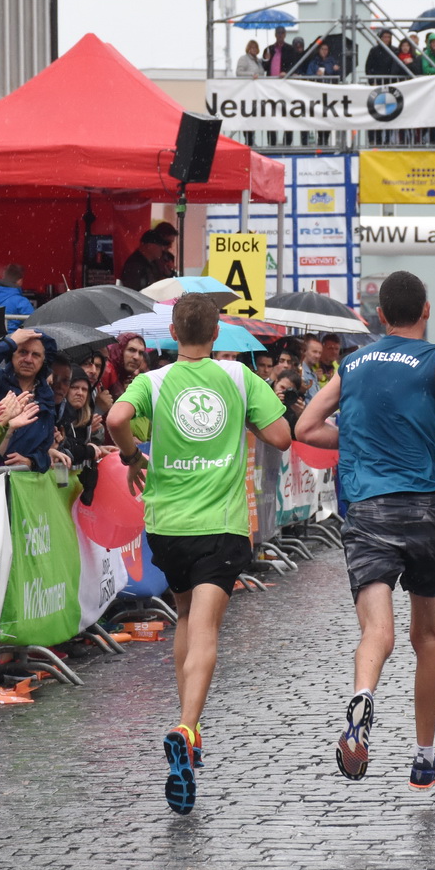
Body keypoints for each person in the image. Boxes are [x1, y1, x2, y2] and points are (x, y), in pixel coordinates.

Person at [105, 295, 292, 814]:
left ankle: (191, 727)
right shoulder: (237, 379)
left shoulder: (154, 382)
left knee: (186, 615)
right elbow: (282, 435)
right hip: (222, 525)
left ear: (171, 331)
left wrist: (129, 454)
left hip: (167, 525)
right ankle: (187, 727)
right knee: (207, 627)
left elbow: (117, 416)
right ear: (217, 334)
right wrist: (248, 421)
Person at [297, 271, 435, 791]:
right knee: (427, 635)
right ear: (425, 310)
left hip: (369, 509)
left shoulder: (351, 364)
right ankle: (424, 758)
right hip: (425, 510)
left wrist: (356, 441)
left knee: (377, 631)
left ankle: (364, 698)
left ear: (379, 317)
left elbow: (307, 428)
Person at [0, 327, 61, 471]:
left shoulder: (46, 397)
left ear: (44, 360)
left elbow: (45, 449)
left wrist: (32, 462)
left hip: (22, 486)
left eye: (35, 355)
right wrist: (8, 343)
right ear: (11, 354)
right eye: (22, 352)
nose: (28, 359)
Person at [119, 223, 179, 291]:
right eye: (160, 245)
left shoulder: (151, 262)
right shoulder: (135, 265)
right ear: (150, 245)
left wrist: (169, 274)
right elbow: (136, 291)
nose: (163, 248)